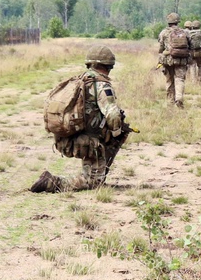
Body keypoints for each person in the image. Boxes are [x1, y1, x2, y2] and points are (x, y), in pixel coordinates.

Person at [31, 45, 129, 193]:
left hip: (68, 138)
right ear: (109, 66)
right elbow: (113, 115)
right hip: (90, 142)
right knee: (93, 183)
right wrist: (115, 133)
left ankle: (94, 173)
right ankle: (53, 183)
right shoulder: (102, 86)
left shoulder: (79, 80)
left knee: (95, 176)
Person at [157, 13, 190, 107]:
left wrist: (160, 57)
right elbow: (190, 46)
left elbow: (161, 47)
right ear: (177, 22)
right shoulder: (184, 32)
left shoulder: (164, 32)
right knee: (180, 79)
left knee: (169, 80)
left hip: (168, 60)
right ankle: (179, 99)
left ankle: (170, 101)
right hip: (181, 59)